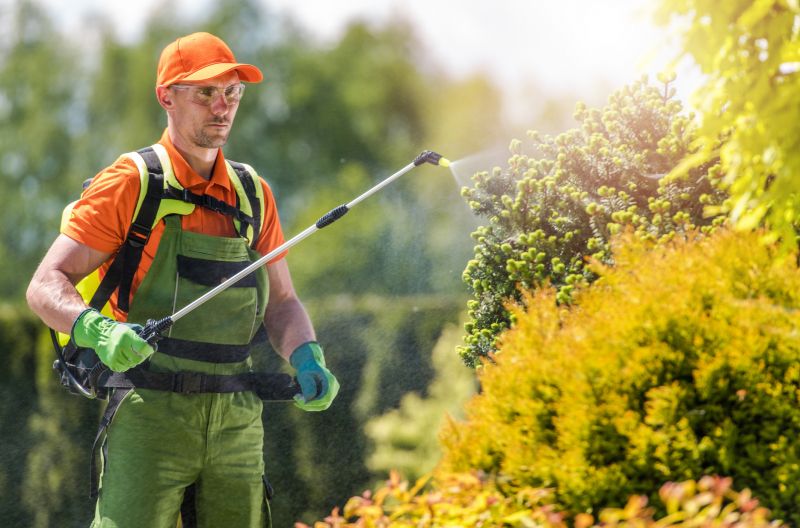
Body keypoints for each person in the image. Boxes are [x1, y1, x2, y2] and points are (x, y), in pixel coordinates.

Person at [26, 31, 339, 527]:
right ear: (166, 96)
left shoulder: (253, 195)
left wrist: (306, 355)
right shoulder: (132, 183)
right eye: (206, 93)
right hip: (149, 415)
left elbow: (282, 302)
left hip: (238, 419)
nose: (222, 107)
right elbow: (44, 285)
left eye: (232, 92)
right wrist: (99, 330)